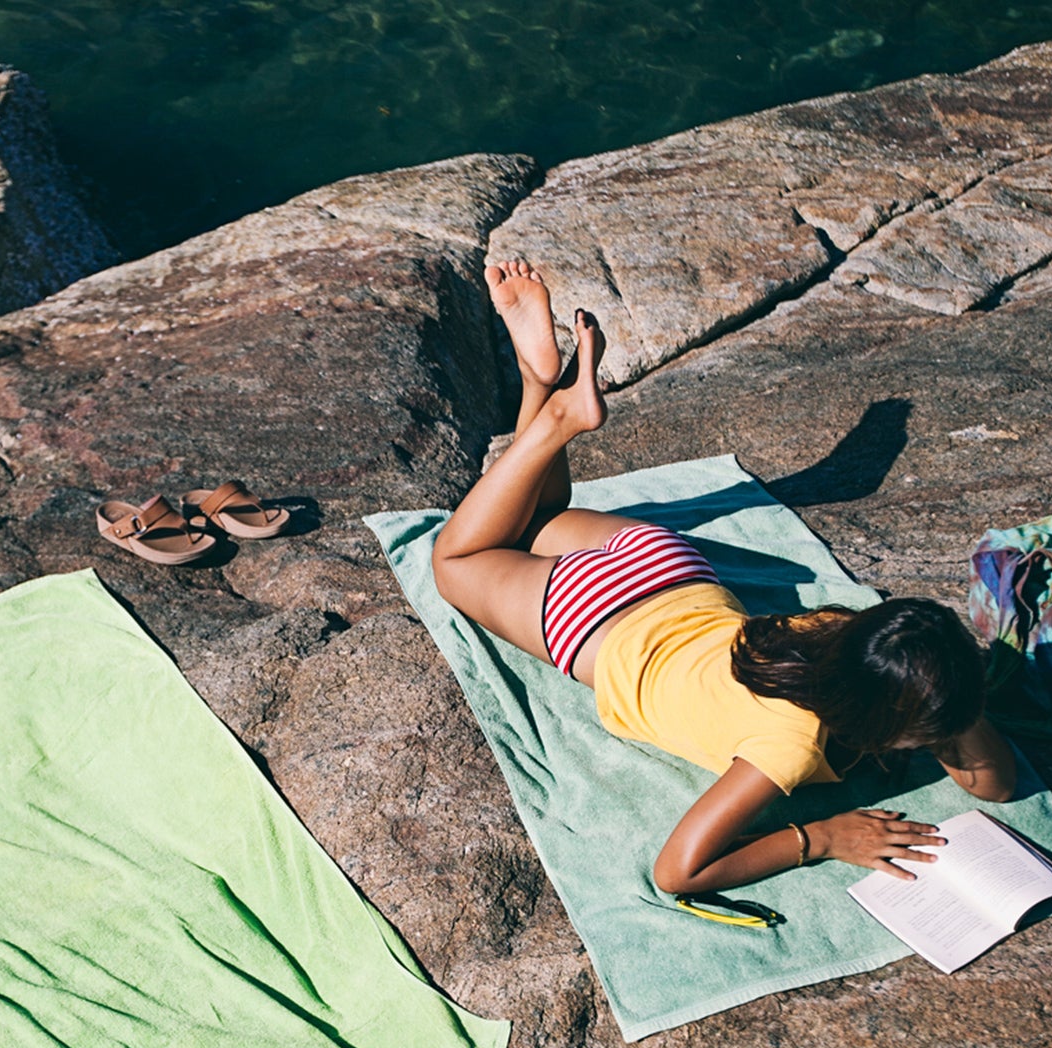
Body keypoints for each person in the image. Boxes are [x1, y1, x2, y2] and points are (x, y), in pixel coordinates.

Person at [431, 261, 1019, 896]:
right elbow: (676, 872)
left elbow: (997, 785)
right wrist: (820, 838)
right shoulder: (789, 746)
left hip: (668, 568)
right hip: (593, 619)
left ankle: (538, 380)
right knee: (453, 563)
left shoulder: (840, 632)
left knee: (531, 515)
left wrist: (947, 688)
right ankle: (555, 420)